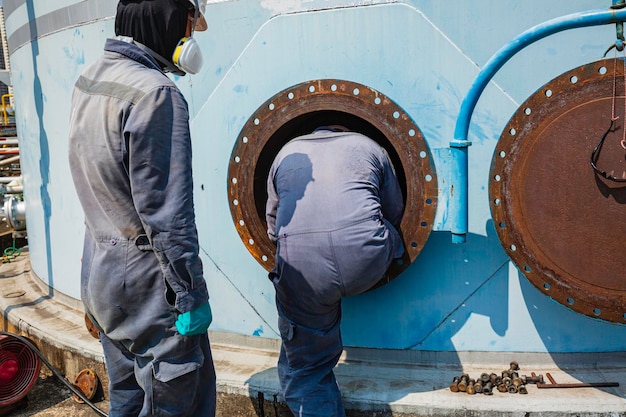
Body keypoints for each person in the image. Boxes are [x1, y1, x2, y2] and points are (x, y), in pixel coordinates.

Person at [68, 1, 215, 416]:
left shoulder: (91, 78)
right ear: (168, 18)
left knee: (128, 400)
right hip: (152, 295)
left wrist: (87, 292)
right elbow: (168, 216)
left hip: (105, 283)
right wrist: (189, 295)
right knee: (180, 398)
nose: (192, 34)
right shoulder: (156, 93)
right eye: (189, 21)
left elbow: (96, 196)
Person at [265, 126, 405, 416]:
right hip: (366, 260)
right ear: (345, 129)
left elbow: (272, 222)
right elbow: (395, 208)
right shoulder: (370, 146)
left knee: (305, 366)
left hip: (304, 270)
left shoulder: (285, 152)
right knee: (388, 229)